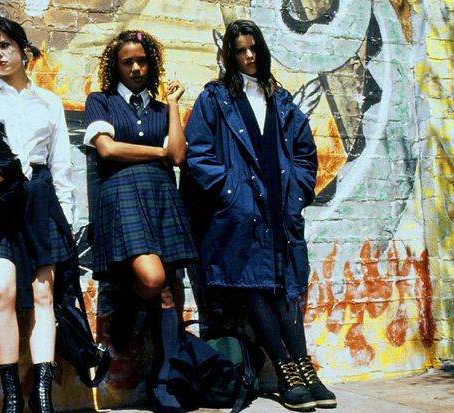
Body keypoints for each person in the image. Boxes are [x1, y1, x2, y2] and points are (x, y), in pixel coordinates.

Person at [183, 19, 337, 412]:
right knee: (254, 287)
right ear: (229, 55)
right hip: (242, 213)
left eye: (253, 48)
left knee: (285, 287)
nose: (249, 56)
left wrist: (298, 192)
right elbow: (197, 154)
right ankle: (287, 371)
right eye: (240, 51)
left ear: (262, 49)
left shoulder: (281, 99)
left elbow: (305, 153)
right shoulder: (215, 99)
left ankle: (306, 370)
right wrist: (232, 194)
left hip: (280, 210)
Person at [0, 15, 75, 413]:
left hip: (39, 200)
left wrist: (68, 220)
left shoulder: (49, 102)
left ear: (23, 49)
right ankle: (11, 396)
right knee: (1, 290)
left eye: (5, 46)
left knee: (43, 293)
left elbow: (61, 166)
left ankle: (42, 396)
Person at [83, 30, 197, 413]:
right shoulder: (101, 102)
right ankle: (131, 305)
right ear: (115, 66)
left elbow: (179, 156)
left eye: (142, 61)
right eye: (127, 62)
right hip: (123, 197)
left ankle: (163, 382)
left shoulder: (163, 110)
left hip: (162, 196)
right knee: (151, 278)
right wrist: (158, 151)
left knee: (170, 292)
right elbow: (107, 148)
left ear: (152, 64)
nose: (135, 67)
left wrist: (175, 106)